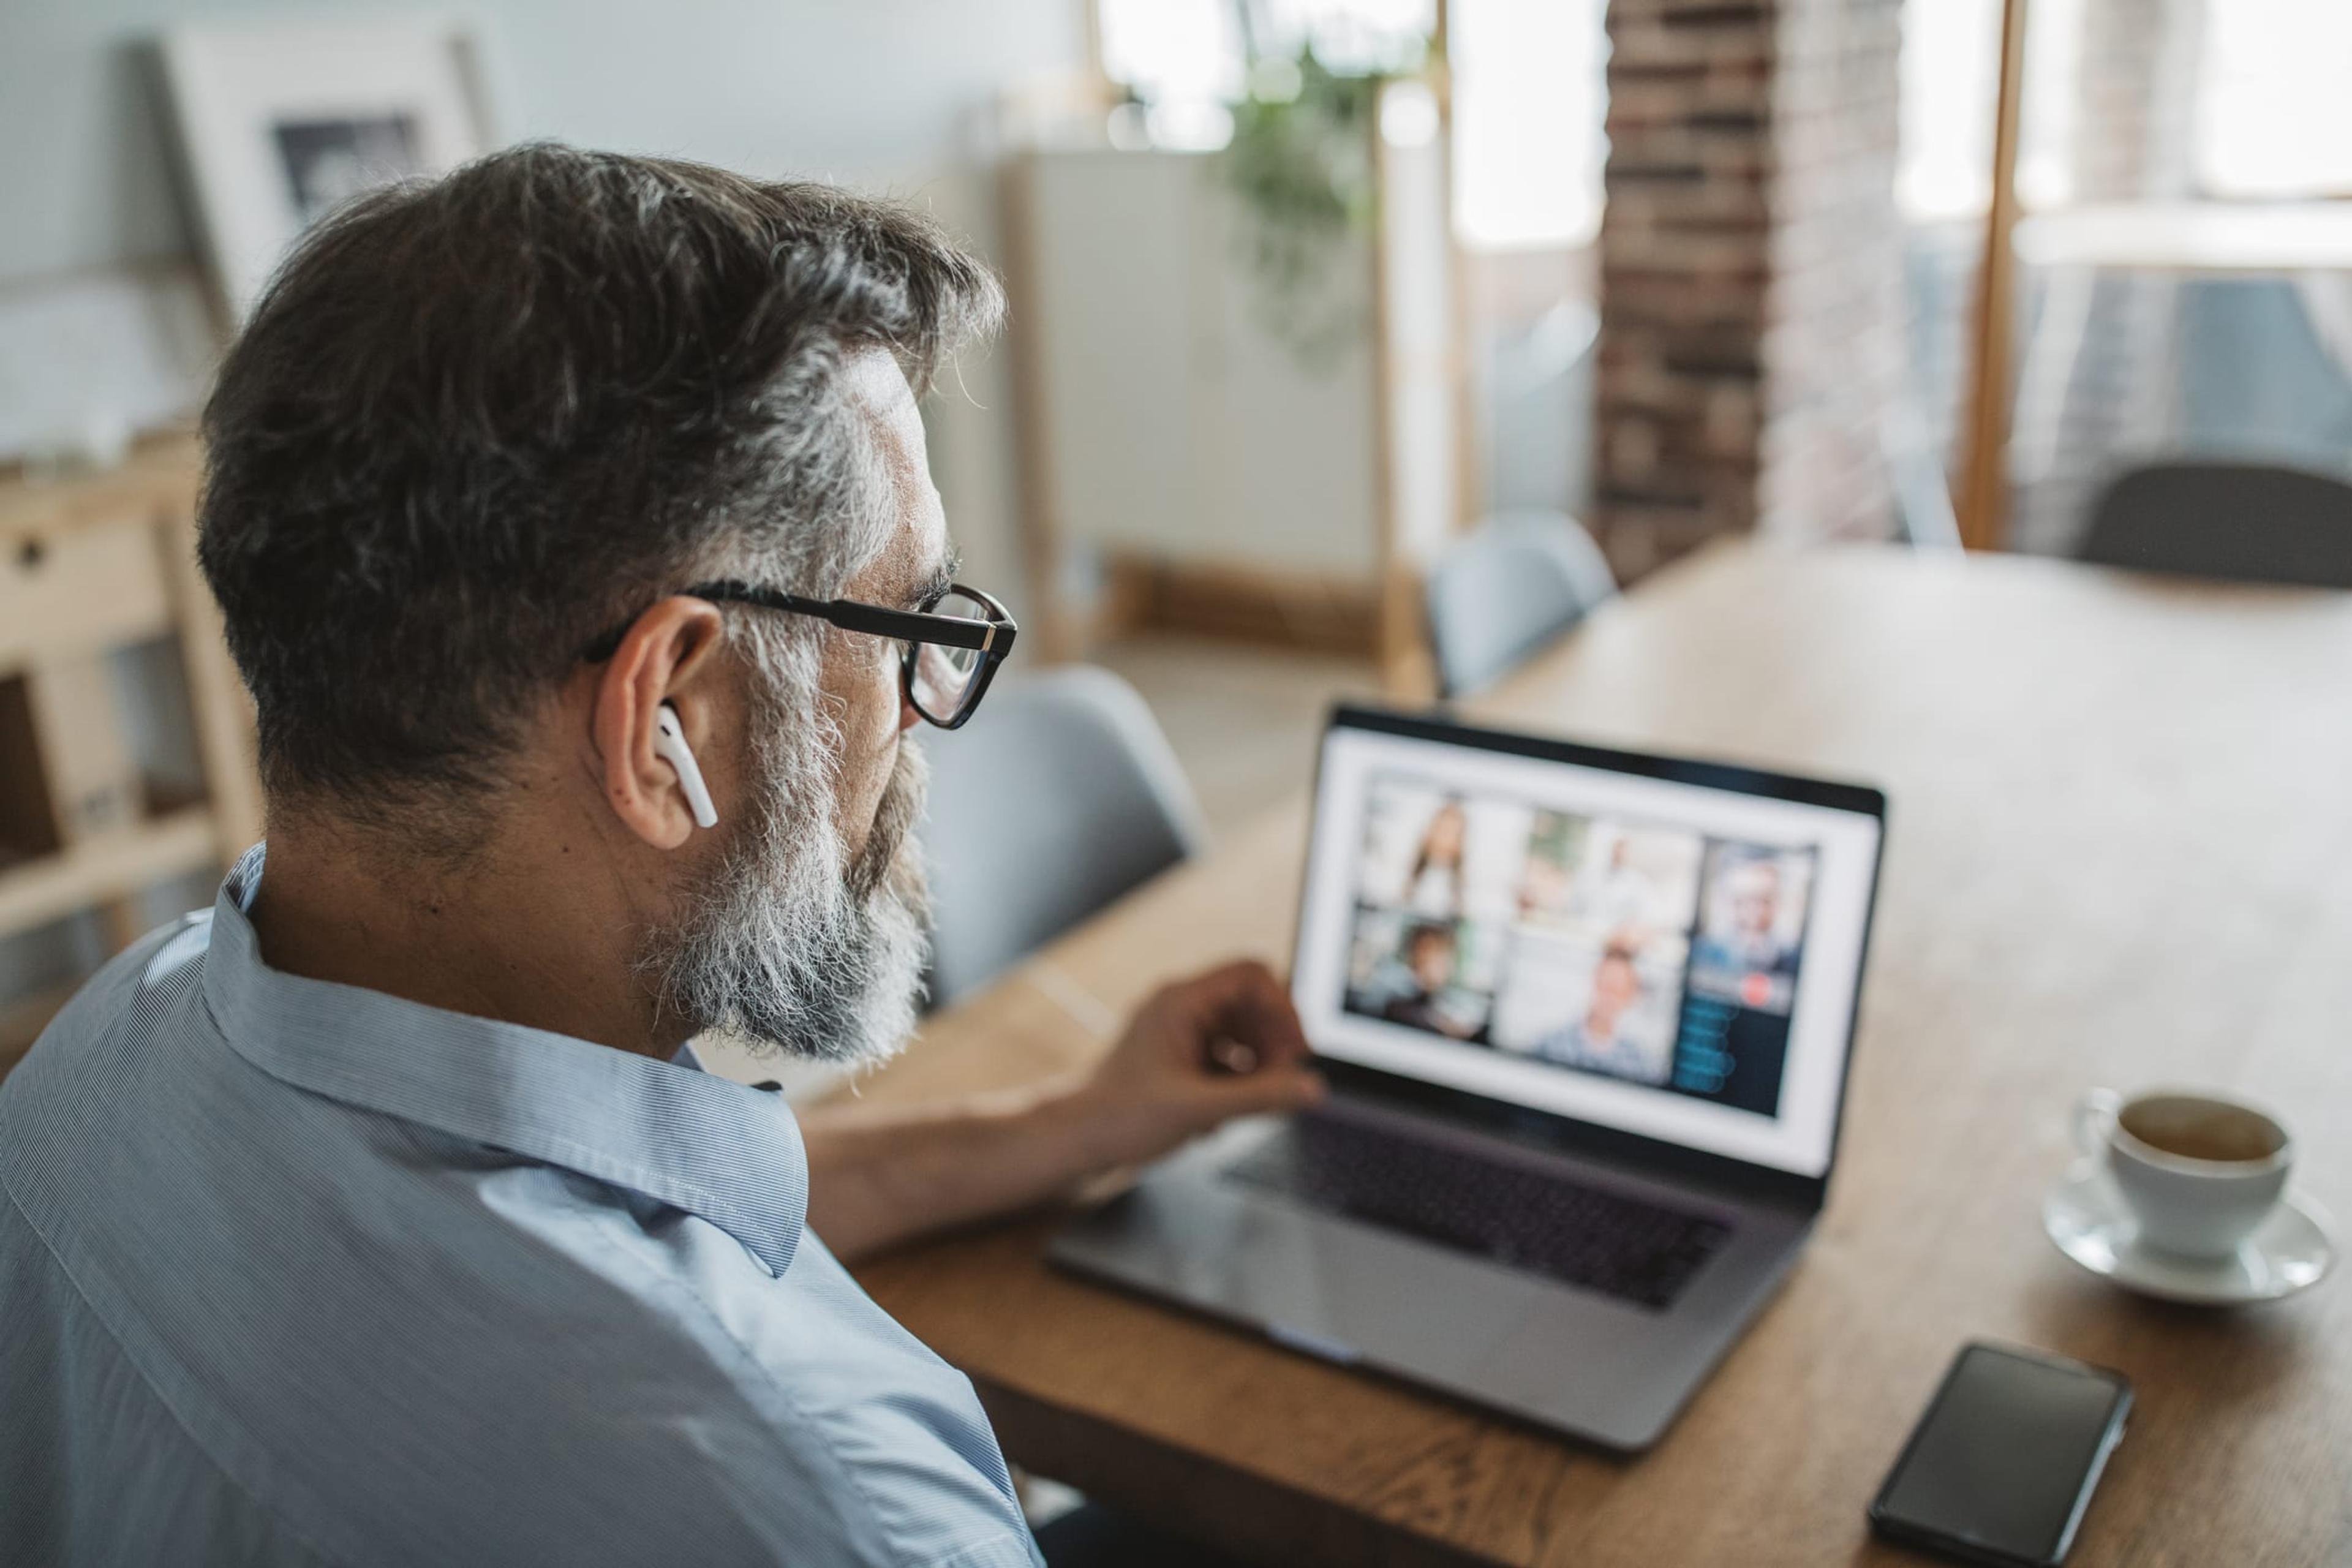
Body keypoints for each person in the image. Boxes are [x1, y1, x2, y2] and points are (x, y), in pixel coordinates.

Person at [0, 147, 1323, 1568]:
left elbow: (581, 1201)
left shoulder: (96, 1057)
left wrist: (1066, 1125)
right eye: (912, 629)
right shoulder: (825, 1506)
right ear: (666, 722)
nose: (925, 718)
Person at [1537, 941, 1662, 1082]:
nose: (1609, 998)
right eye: (1604, 986)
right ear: (1594, 983)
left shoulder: (1641, 1065)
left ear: (1630, 997)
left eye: (1618, 991)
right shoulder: (1551, 1045)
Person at [1401, 796, 1469, 918]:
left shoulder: (1463, 889)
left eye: (1451, 832)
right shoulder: (1406, 876)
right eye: (1441, 828)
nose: (1444, 836)